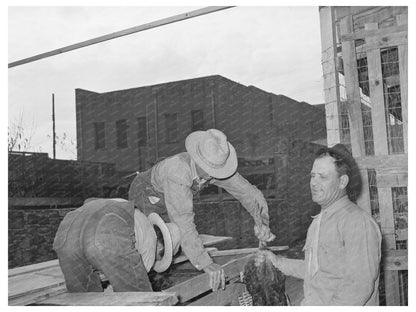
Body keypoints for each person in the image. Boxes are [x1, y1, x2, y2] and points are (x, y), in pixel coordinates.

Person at [129, 129, 276, 292]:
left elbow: (250, 193)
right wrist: (205, 263)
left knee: (174, 245)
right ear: (199, 161)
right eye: (212, 171)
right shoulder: (177, 172)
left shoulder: (217, 164)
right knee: (150, 248)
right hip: (147, 193)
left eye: (219, 171)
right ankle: (142, 293)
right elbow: (184, 222)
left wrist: (262, 222)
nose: (218, 175)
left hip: (172, 193)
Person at [255, 144, 382, 305]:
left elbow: (358, 287)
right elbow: (315, 271)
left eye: (322, 177)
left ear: (342, 181)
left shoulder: (356, 222)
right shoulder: (320, 220)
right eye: (312, 176)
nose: (313, 183)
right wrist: (277, 261)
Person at [53, 198, 181, 292]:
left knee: (83, 297)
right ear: (161, 247)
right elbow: (137, 279)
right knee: (139, 298)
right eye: (160, 257)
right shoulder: (150, 239)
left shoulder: (138, 217)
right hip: (106, 231)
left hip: (66, 232)